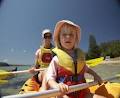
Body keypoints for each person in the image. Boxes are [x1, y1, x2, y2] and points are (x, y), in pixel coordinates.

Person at [45, 20, 106, 98]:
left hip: (82, 92)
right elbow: (50, 78)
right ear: (59, 39)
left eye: (71, 34)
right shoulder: (56, 59)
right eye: (64, 34)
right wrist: (57, 85)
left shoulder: (79, 57)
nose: (68, 37)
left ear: (75, 39)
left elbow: (86, 69)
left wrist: (95, 75)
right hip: (65, 93)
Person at [19, 29, 53, 94]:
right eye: (46, 36)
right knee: (46, 71)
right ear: (43, 38)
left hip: (53, 74)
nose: (48, 38)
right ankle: (44, 91)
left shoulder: (56, 51)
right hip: (42, 74)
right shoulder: (38, 52)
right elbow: (36, 67)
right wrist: (32, 69)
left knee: (49, 72)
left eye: (50, 36)